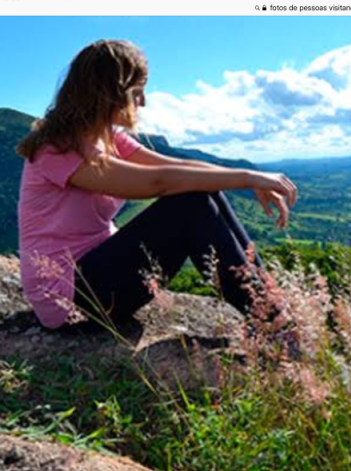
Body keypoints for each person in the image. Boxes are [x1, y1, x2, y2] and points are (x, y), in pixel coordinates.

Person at [16, 39, 297, 334]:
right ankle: (273, 325)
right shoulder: (55, 148)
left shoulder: (107, 137)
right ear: (108, 92)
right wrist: (250, 179)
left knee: (203, 193)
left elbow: (179, 168)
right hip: (67, 296)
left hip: (98, 272)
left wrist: (248, 176)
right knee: (191, 204)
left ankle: (273, 311)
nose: (143, 102)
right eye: (136, 92)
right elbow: (159, 181)